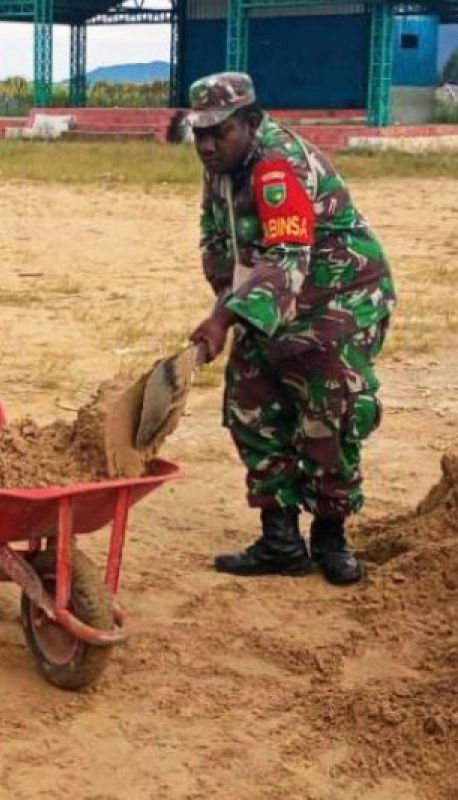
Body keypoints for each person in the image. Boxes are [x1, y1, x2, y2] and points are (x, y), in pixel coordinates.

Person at [185, 73, 396, 586]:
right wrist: (225, 304)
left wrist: (224, 319)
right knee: (252, 408)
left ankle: (330, 535)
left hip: (336, 300)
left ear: (251, 123)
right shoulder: (222, 167)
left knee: (328, 414)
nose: (208, 145)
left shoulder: (278, 166)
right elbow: (219, 241)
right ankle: (280, 541)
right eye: (200, 133)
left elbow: (285, 255)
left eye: (221, 131)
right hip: (269, 303)